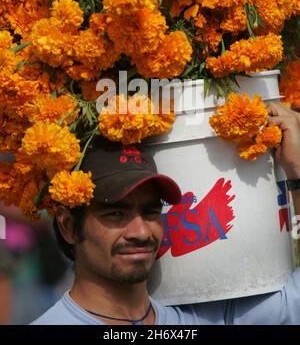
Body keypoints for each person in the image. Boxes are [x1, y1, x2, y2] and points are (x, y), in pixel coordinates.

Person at [31, 102, 300, 325]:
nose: (141, 232)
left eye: (150, 212)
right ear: (68, 226)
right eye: (116, 214)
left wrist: (297, 172)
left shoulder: (198, 320)